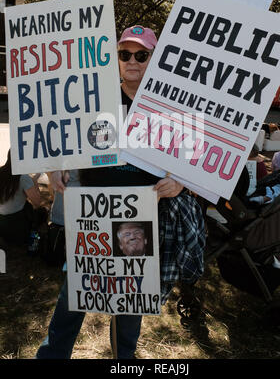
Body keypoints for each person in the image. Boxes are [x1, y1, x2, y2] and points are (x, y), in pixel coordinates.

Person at [36, 25, 185, 360]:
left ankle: (124, 361)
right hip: (92, 214)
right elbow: (64, 139)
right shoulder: (94, 98)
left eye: (141, 54)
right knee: (73, 294)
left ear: (152, 58)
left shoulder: (168, 106)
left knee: (129, 303)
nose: (132, 60)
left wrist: (179, 181)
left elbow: (189, 158)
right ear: (116, 59)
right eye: (124, 54)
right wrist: (57, 165)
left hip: (140, 216)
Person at [0, 149, 45, 245]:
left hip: (2, 226)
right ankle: (34, 241)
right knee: (42, 212)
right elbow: (37, 202)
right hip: (17, 228)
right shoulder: (23, 177)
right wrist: (35, 181)